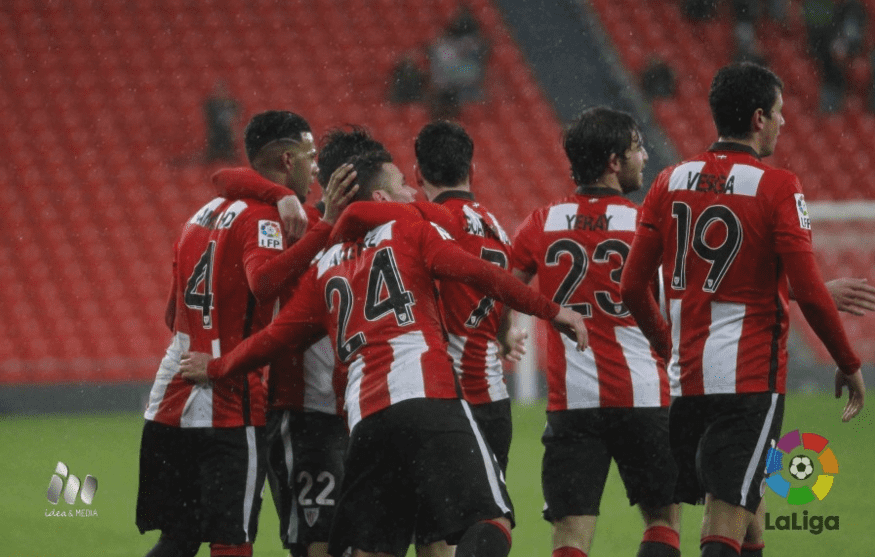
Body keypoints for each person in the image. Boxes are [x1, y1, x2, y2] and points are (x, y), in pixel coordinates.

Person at [179, 148, 589, 557]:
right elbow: (478, 272)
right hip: (427, 396)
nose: (413, 193)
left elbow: (275, 338)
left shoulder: (323, 265)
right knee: (489, 519)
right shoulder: (411, 228)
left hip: (367, 420)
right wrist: (551, 310)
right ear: (381, 198)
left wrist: (218, 367)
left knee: (372, 550)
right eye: (402, 186)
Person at [620, 62, 865, 557]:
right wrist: (848, 362)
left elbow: (631, 286)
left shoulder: (670, 179)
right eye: (778, 113)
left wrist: (665, 343)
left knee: (747, 512)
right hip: (749, 383)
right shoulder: (778, 186)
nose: (783, 123)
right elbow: (810, 292)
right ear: (757, 118)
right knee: (723, 525)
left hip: (687, 381)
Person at [135, 110, 354, 557]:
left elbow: (172, 313)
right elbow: (264, 282)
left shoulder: (200, 215)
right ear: (288, 159)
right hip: (227, 402)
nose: (316, 168)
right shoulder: (262, 219)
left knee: (178, 538)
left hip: (170, 399)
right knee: (232, 540)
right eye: (311, 157)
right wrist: (325, 229)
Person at [209, 126, 392, 557]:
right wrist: (280, 194)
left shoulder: (386, 239)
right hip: (307, 414)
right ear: (344, 184)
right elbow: (223, 178)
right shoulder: (304, 225)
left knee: (363, 539)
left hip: (359, 413)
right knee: (318, 542)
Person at [510, 107, 680, 557]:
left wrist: (507, 330)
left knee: (569, 537)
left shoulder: (542, 221)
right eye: (636, 148)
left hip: (574, 404)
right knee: (663, 521)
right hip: (642, 396)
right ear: (613, 162)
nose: (644, 157)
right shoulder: (647, 224)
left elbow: (503, 285)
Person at [203, 80, 241, 163]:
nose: (221, 92)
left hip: (228, 143)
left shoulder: (233, 105)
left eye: (223, 90)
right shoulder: (211, 105)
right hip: (214, 141)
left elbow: (235, 124)